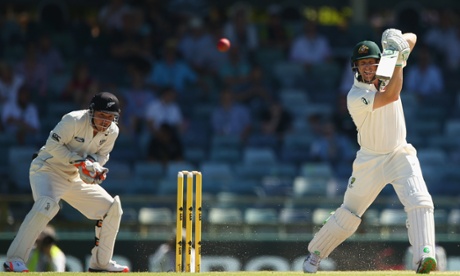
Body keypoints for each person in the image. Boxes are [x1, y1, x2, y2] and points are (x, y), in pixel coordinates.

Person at [303, 29, 438, 274]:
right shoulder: (355, 95)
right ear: (355, 68)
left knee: (420, 201)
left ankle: (424, 257)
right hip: (370, 160)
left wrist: (397, 42)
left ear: (378, 62)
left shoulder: (386, 65)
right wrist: (399, 60)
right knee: (349, 216)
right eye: (362, 64)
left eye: (371, 63)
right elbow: (392, 94)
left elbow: (413, 37)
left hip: (400, 153)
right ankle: (314, 254)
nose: (367, 68)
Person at [3, 92, 129, 272]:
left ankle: (100, 264)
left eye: (110, 117)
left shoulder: (112, 131)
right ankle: (14, 260)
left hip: (74, 176)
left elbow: (102, 155)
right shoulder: (74, 120)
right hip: (47, 169)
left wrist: (94, 168)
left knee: (112, 209)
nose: (105, 121)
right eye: (102, 115)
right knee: (47, 204)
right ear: (91, 111)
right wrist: (79, 162)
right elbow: (52, 145)